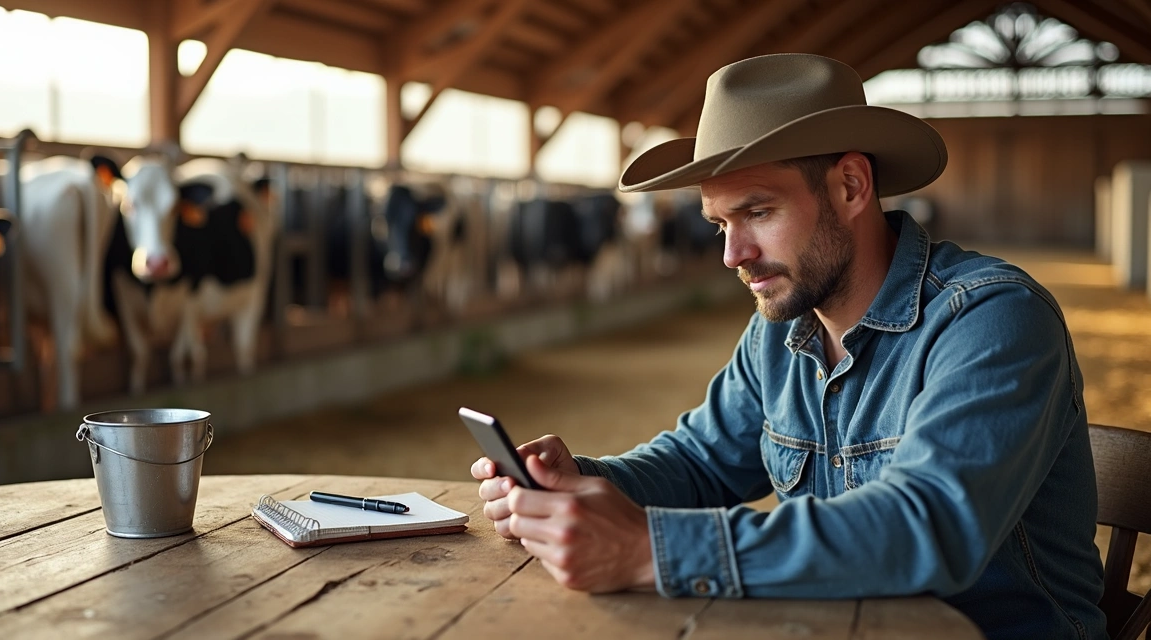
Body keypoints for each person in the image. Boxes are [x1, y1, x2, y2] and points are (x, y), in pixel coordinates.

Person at [471, 54, 1107, 640]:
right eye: (720, 224)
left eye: (758, 212)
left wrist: (647, 549)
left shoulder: (991, 319)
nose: (733, 254)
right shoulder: (780, 330)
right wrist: (584, 482)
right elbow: (702, 463)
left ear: (851, 186)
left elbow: (928, 527)